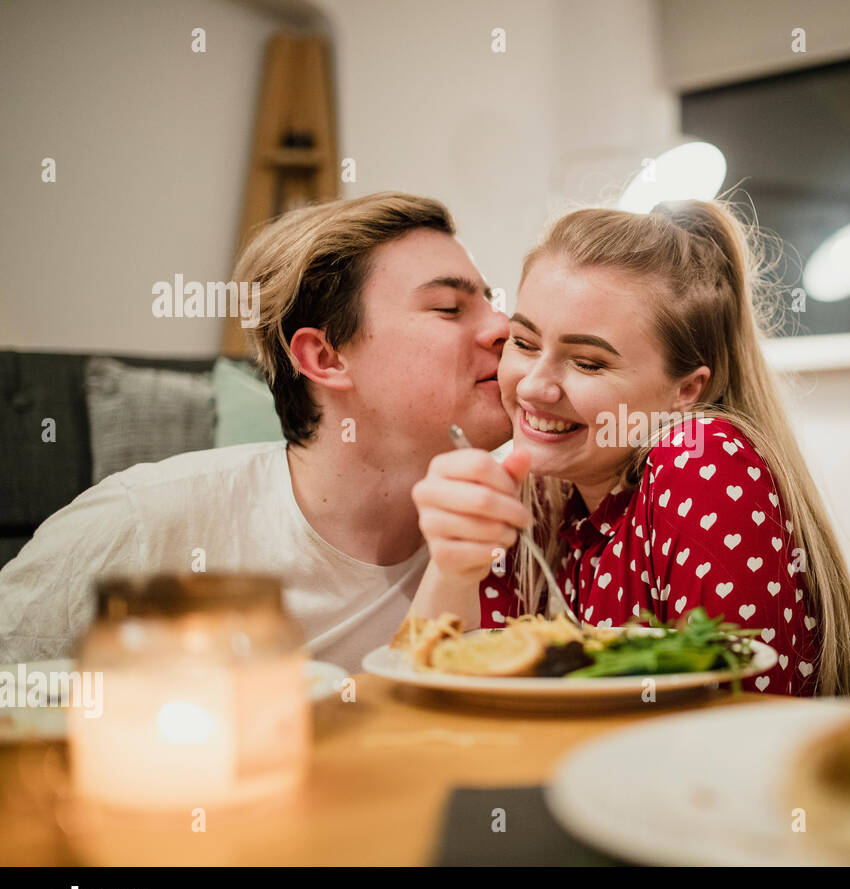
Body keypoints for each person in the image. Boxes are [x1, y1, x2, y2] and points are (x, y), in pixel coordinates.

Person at [0, 192, 511, 672]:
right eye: (449, 307)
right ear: (326, 358)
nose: (504, 328)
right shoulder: (141, 524)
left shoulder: (525, 531)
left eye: (492, 303)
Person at [411, 200, 850, 699]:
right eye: (523, 344)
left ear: (686, 391)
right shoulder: (535, 498)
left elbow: (736, 726)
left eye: (588, 363)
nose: (533, 388)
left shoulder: (701, 460)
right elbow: (450, 693)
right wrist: (450, 567)